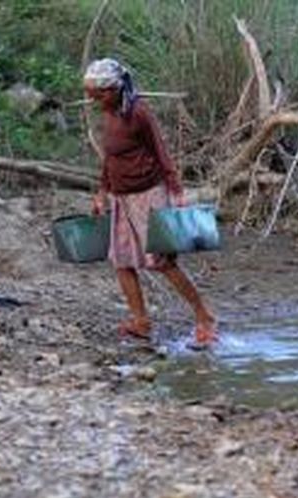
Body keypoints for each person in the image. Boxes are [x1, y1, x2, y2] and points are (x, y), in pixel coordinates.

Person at [84, 58, 216, 345]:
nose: (92, 99)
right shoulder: (108, 112)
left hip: (149, 194)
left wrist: (177, 192)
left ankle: (204, 316)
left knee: (162, 262)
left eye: (97, 93)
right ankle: (141, 321)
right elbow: (110, 158)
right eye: (91, 94)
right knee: (121, 262)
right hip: (121, 197)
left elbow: (161, 152)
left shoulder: (139, 113)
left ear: (114, 89)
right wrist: (101, 193)